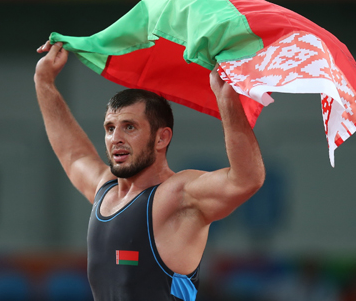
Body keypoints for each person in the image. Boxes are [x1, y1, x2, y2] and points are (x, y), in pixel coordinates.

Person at [35, 40, 266, 301]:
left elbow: (247, 179)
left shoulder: (178, 195)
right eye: (110, 128)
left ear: (161, 138)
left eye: (129, 127)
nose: (116, 138)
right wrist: (44, 84)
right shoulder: (105, 189)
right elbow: (74, 154)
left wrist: (228, 102)